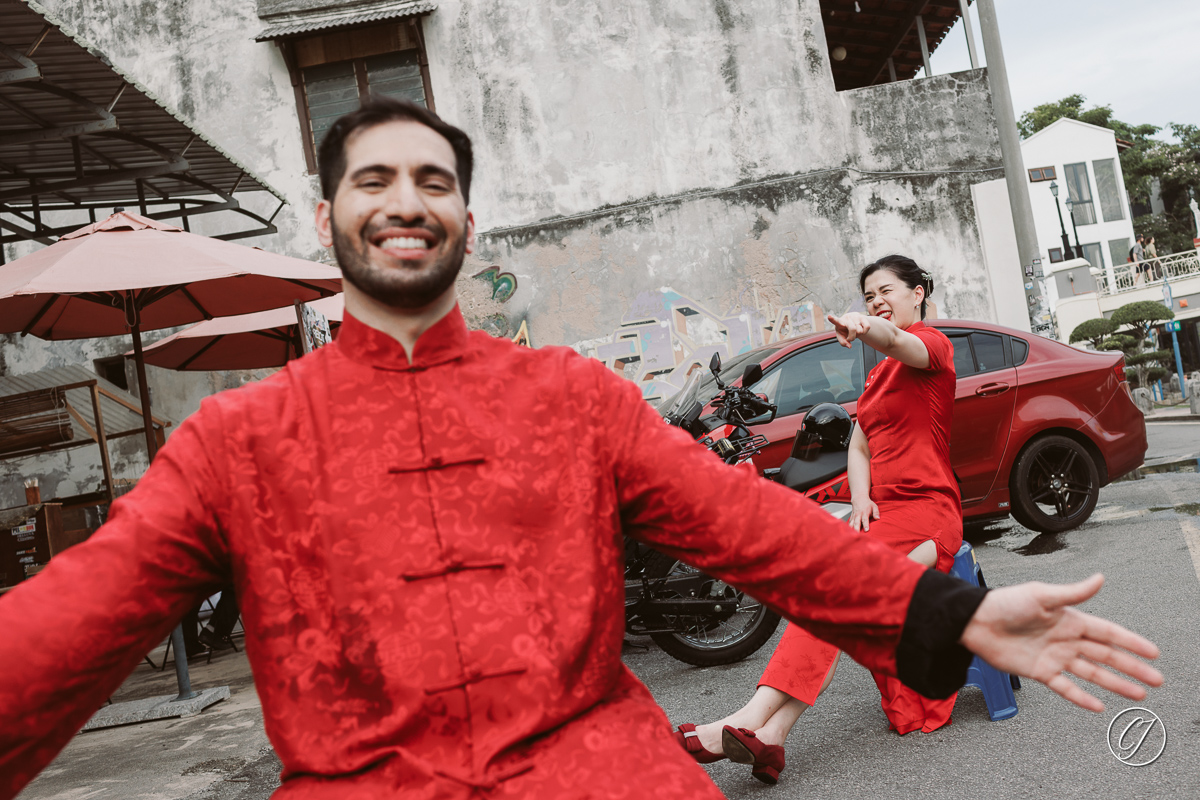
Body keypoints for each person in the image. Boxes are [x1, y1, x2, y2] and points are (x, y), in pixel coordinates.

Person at [0, 98, 1163, 800]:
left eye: (434, 180)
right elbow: (67, 623)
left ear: (464, 216)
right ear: (326, 217)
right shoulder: (233, 439)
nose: (406, 199)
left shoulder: (568, 395)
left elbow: (752, 527)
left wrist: (951, 616)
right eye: (373, 178)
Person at [675, 257, 967, 784]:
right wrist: (860, 500)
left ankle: (743, 722)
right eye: (868, 295)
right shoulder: (880, 376)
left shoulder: (932, 349)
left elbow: (903, 343)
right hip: (886, 516)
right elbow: (860, 443)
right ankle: (770, 735)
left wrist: (866, 325)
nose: (876, 300)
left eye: (887, 291)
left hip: (928, 515)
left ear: (918, 293)